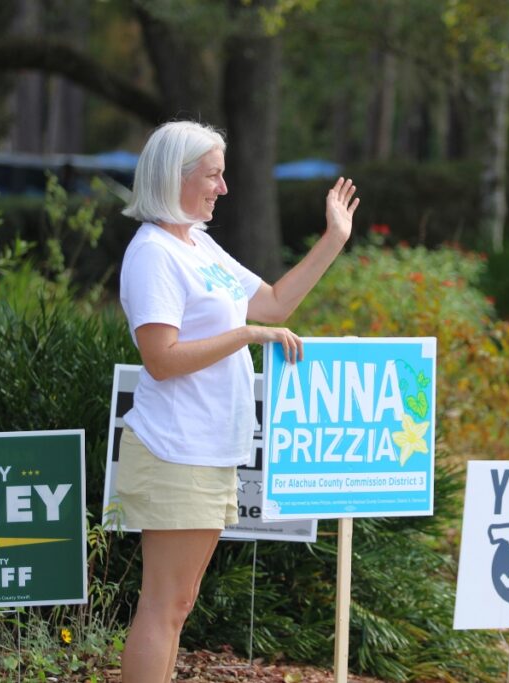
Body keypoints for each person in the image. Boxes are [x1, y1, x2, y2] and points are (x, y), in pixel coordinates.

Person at [115, 120, 358, 683]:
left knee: (177, 605)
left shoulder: (196, 243)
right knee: (164, 606)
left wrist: (335, 238)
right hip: (176, 450)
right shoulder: (153, 254)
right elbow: (161, 358)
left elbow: (273, 305)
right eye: (213, 175)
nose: (223, 188)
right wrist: (245, 337)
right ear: (173, 177)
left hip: (207, 449)